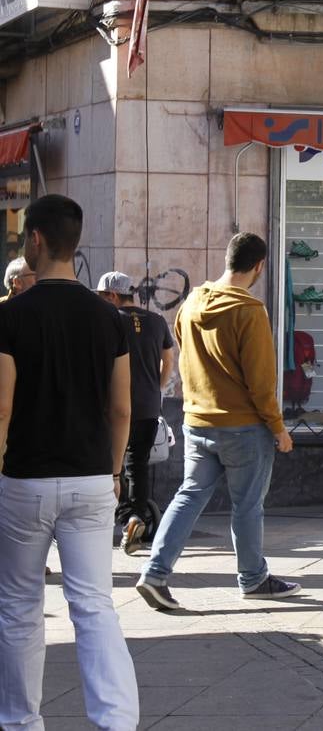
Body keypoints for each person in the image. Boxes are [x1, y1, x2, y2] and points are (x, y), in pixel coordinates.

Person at [0, 194, 139, 730]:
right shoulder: (110, 320)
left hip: (25, 481)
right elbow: (121, 407)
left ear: (35, 239)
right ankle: (116, 722)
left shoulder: (10, 318)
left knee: (17, 607)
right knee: (95, 605)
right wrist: (112, 470)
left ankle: (20, 723)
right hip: (90, 479)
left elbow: (3, 406)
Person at [136, 232, 301, 610]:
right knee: (247, 505)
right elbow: (261, 382)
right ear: (259, 267)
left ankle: (155, 573)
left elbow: (180, 346)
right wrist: (278, 428)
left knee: (189, 496)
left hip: (196, 421)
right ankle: (253, 579)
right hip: (243, 426)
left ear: (229, 259)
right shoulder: (249, 310)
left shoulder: (193, 301)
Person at [96, 271, 175, 556]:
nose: (102, 301)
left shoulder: (109, 320)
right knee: (137, 464)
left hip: (113, 407)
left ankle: (105, 521)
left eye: (103, 296)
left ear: (114, 296)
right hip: (148, 405)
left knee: (109, 465)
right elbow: (169, 357)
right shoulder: (156, 321)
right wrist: (160, 385)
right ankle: (135, 518)